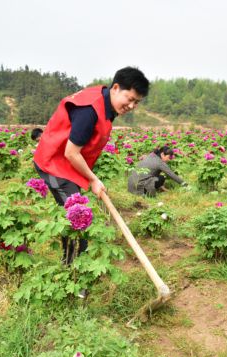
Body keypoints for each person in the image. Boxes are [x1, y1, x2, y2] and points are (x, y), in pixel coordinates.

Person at [33, 66, 149, 275]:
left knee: (76, 213)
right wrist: (94, 180)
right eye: (129, 98)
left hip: (67, 163)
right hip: (54, 163)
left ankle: (72, 267)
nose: (131, 106)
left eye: (136, 102)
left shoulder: (108, 103)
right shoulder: (90, 110)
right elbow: (71, 153)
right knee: (77, 218)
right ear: (115, 88)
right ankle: (73, 274)